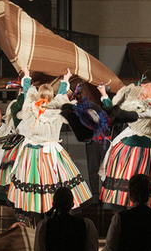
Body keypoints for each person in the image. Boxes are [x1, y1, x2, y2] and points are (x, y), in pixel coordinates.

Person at [7, 68, 92, 215]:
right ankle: (55, 212)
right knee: (55, 183)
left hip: (33, 153)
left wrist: (27, 77)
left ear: (38, 95)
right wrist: (66, 79)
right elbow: (62, 96)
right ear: (51, 96)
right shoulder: (57, 109)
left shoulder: (30, 109)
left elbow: (28, 95)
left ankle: (37, 212)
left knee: (35, 183)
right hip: (52, 152)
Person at [97, 81, 151, 209]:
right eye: (147, 85)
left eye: (148, 85)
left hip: (142, 149)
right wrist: (104, 94)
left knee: (140, 184)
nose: (145, 85)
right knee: (128, 182)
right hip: (132, 146)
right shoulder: (138, 105)